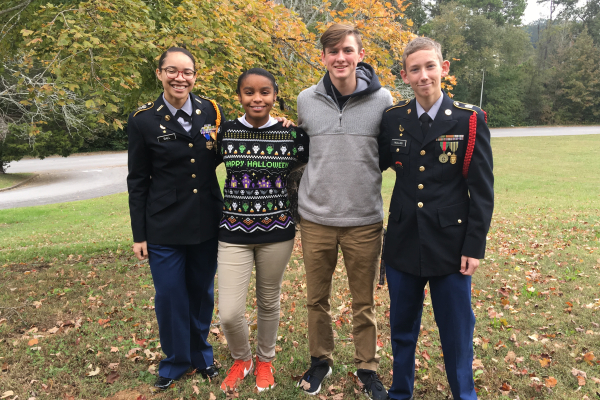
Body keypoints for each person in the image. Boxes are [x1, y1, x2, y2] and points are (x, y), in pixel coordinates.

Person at [378, 37, 494, 400]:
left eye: (430, 66)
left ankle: (465, 395)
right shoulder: (393, 119)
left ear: (444, 68)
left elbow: (483, 190)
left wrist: (474, 246)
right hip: (402, 241)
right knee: (402, 329)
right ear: (405, 75)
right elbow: (369, 163)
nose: (423, 75)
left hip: (451, 245)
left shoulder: (469, 119)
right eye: (415, 69)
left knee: (457, 331)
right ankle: (400, 393)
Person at [295, 24, 393, 399]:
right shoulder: (306, 99)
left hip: (364, 221)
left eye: (347, 50)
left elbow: (385, 155)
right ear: (323, 57)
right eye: (332, 52)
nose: (340, 58)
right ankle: (320, 360)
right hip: (316, 220)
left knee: (363, 301)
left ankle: (367, 368)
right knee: (316, 299)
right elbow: (300, 150)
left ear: (359, 55)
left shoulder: (383, 100)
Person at [126, 46, 225, 390]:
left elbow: (236, 146)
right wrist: (140, 234)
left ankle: (202, 356)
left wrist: (278, 127)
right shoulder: (143, 120)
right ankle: (174, 361)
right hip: (164, 225)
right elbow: (138, 181)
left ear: (195, 76)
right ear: (160, 74)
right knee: (170, 295)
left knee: (201, 293)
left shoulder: (212, 111)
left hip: (206, 220)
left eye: (187, 72)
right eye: (172, 71)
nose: (179, 78)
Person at [216, 68, 309, 394]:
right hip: (232, 232)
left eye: (265, 92)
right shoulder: (224, 132)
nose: (257, 98)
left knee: (269, 301)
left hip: (277, 231)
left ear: (274, 95)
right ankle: (242, 359)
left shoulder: (292, 136)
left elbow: (313, 167)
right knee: (228, 312)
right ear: (239, 96)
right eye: (249, 92)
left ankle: (265, 360)